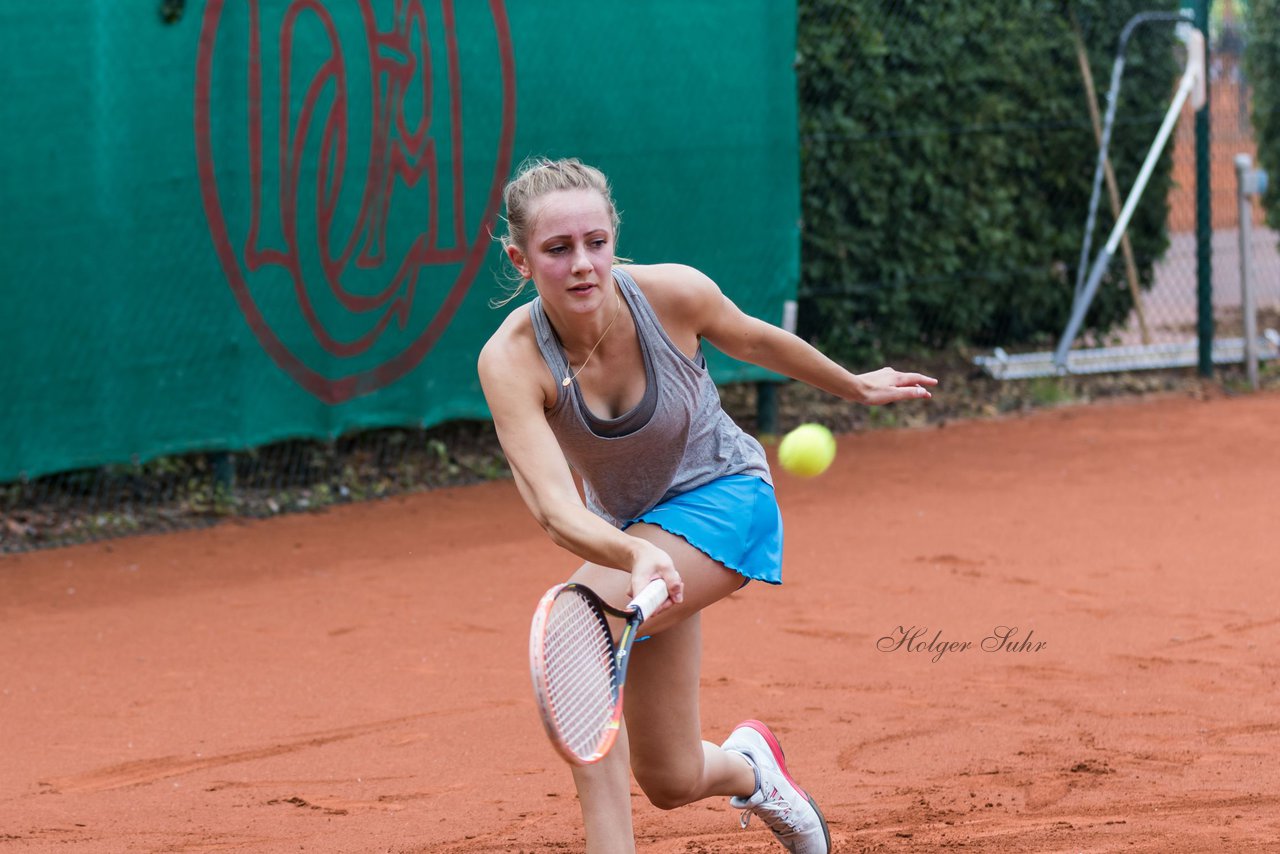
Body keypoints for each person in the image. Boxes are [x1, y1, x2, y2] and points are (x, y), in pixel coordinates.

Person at [478, 157, 937, 854]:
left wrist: (854, 386)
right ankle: (756, 771)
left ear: (614, 239)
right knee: (669, 775)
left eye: (596, 242)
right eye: (558, 249)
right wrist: (634, 552)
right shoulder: (511, 360)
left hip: (728, 497)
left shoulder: (672, 295)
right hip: (636, 542)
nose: (583, 265)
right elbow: (551, 510)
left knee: (579, 638)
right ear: (521, 259)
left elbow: (752, 337)